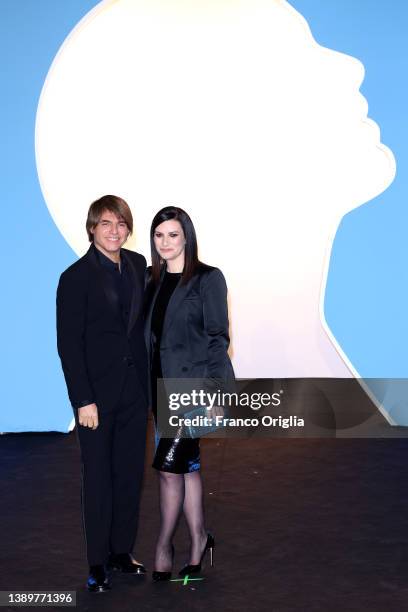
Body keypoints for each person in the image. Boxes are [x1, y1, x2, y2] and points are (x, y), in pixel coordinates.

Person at [56, 195, 149, 592]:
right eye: (107, 224)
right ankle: (97, 563)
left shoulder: (138, 265)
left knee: (129, 476)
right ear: (92, 228)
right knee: (98, 481)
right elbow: (69, 345)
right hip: (96, 398)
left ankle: (120, 552)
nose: (115, 231)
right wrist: (82, 400)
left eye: (122, 224)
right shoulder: (74, 277)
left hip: (135, 393)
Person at [144, 206, 235, 581]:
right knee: (185, 468)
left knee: (168, 467)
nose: (165, 242)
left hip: (193, 394)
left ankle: (164, 545)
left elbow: (219, 339)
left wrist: (217, 395)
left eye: (173, 235)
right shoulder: (151, 280)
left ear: (187, 238)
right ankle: (199, 537)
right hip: (159, 390)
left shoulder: (208, 279)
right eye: (159, 235)